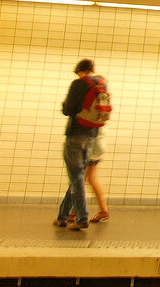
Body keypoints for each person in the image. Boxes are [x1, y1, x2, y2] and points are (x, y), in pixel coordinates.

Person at [54, 59, 99, 230]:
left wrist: (65, 105)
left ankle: (81, 218)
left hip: (75, 136)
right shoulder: (101, 84)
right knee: (77, 176)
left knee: (77, 178)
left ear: (80, 71)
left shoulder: (78, 84)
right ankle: (62, 217)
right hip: (91, 137)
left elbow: (68, 109)